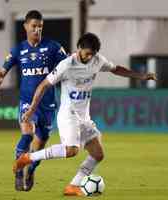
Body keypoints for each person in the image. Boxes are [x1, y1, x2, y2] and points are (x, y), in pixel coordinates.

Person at [14, 32, 157, 196]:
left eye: (92, 54)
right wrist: (32, 109)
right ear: (79, 48)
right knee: (71, 150)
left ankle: (73, 186)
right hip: (68, 114)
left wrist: (141, 76)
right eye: (87, 53)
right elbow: (43, 85)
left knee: (98, 154)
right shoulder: (66, 65)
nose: (89, 57)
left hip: (84, 117)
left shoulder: (98, 60)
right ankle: (28, 158)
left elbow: (116, 69)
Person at [0, 10, 67, 191]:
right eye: (34, 26)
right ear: (25, 26)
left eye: (40, 27)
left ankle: (31, 170)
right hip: (27, 102)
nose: (37, 30)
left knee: (40, 143)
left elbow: (69, 68)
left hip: (47, 104)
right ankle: (19, 170)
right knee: (27, 134)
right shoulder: (18, 50)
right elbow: (1, 73)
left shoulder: (53, 47)